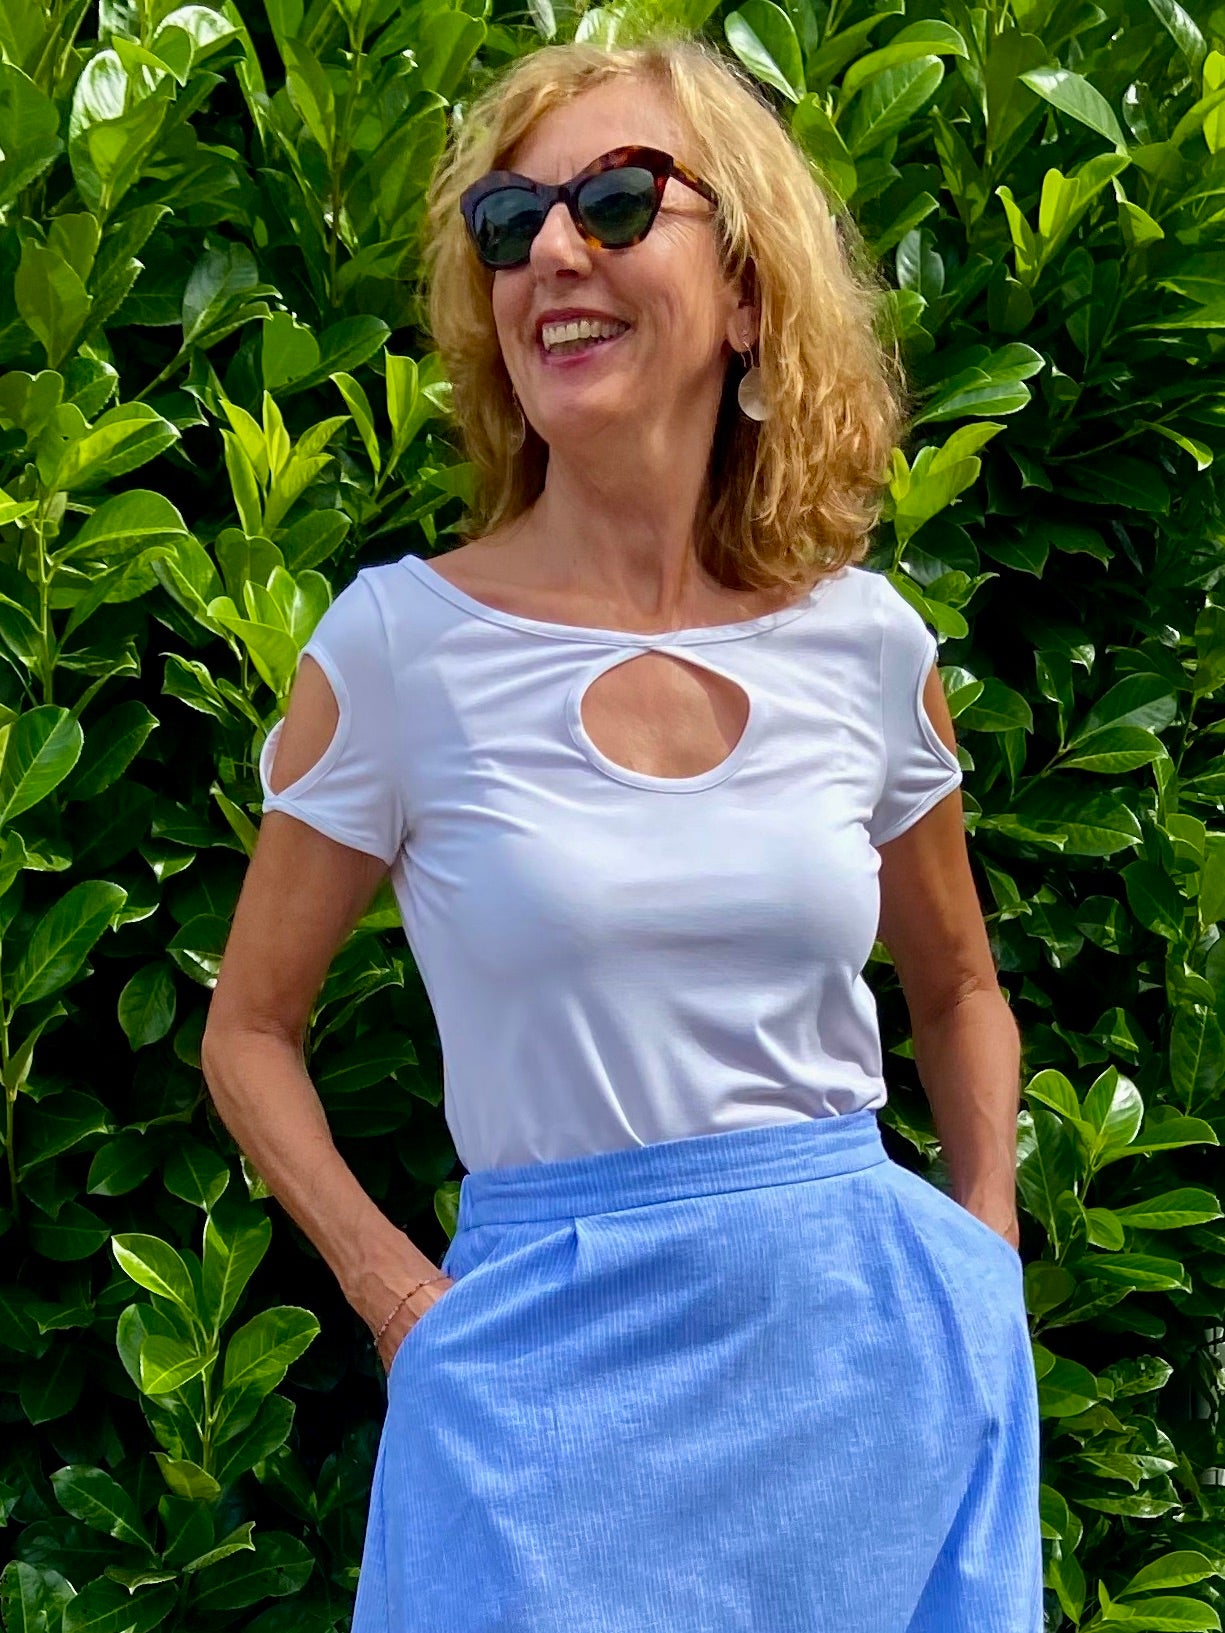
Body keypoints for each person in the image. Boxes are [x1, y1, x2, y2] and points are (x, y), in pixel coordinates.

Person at [202, 28, 1044, 1633]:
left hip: (873, 1378)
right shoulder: (396, 652)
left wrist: (983, 1256)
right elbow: (247, 1027)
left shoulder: (865, 646)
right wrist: (400, 1302)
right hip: (535, 1407)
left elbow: (956, 988)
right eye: (509, 221)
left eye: (613, 200)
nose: (552, 253)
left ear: (746, 294)